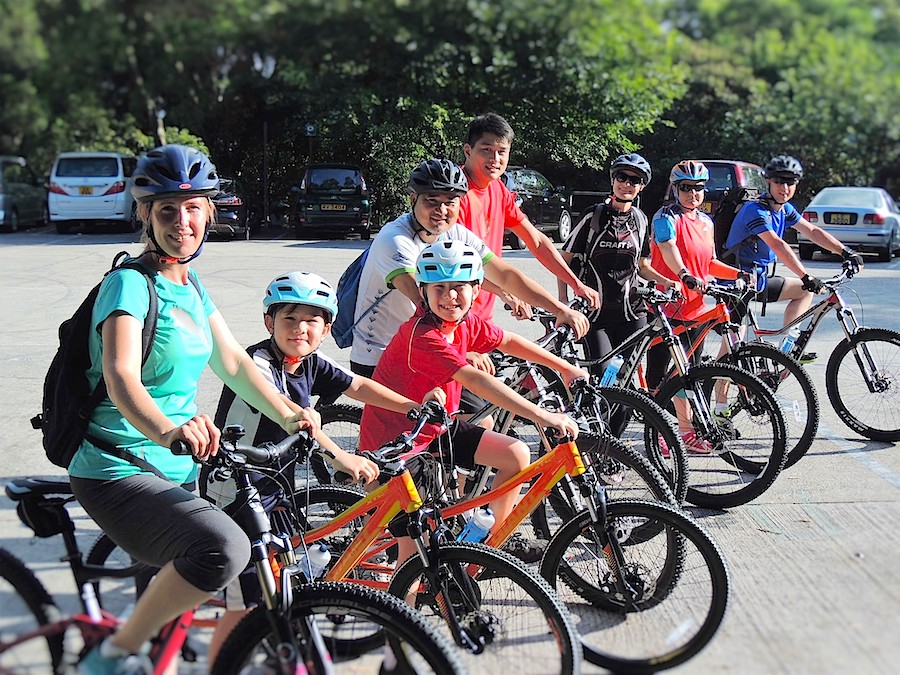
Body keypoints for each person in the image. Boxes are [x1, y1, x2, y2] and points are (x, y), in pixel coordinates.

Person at [67, 146, 318, 675]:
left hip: (176, 470)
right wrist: (168, 430)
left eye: (192, 209)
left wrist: (292, 412)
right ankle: (110, 656)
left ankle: (144, 654)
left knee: (169, 633)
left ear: (209, 212)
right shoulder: (128, 285)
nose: (181, 223)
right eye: (166, 211)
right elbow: (121, 376)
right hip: (118, 468)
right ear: (145, 215)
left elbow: (233, 363)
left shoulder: (191, 285)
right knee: (224, 549)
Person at [205, 271, 441, 663]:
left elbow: (359, 387)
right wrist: (343, 457)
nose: (300, 328)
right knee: (241, 600)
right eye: (289, 319)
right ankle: (222, 663)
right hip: (234, 487)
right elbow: (295, 417)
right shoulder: (259, 363)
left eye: (312, 320)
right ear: (270, 323)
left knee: (281, 581)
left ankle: (277, 646)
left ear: (327, 327)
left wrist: (411, 406)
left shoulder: (312, 363)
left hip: (273, 486)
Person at [360, 241, 587, 564]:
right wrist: (543, 415)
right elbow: (476, 380)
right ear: (422, 291)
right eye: (439, 288)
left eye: (459, 288)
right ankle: (401, 610)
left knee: (515, 454)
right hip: (397, 445)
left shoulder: (463, 324)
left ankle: (485, 549)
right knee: (413, 557)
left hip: (436, 429)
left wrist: (563, 367)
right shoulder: (422, 336)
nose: (450, 297)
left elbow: (507, 341)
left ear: (477, 290)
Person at [349, 158, 589, 378]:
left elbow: (505, 274)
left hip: (428, 346)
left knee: (480, 416)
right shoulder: (395, 240)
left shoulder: (454, 234)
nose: (441, 211)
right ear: (413, 200)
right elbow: (426, 304)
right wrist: (462, 350)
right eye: (431, 201)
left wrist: (559, 309)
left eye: (450, 203)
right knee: (449, 419)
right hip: (381, 353)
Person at [458, 112, 601, 320]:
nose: (495, 159)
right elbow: (456, 265)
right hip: (452, 312)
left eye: (502, 151)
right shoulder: (455, 195)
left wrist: (576, 284)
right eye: (487, 150)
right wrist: (506, 292)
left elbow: (537, 241)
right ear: (468, 151)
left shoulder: (498, 190)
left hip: (482, 316)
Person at [646, 160, 743, 452]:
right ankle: (661, 431)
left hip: (696, 309)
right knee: (661, 376)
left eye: (698, 188)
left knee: (689, 373)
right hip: (667, 307)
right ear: (675, 189)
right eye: (686, 188)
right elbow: (668, 250)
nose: (693, 194)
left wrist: (739, 274)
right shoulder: (665, 217)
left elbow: (710, 264)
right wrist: (684, 275)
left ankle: (685, 433)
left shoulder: (706, 222)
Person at [558, 153, 678, 380]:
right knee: (604, 380)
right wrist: (563, 303)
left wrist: (667, 281)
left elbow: (642, 266)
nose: (627, 184)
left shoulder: (641, 219)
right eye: (622, 177)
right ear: (613, 180)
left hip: (632, 313)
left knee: (624, 380)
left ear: (641, 187)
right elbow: (564, 260)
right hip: (595, 315)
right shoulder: (593, 216)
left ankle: (621, 417)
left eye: (634, 181)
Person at [724, 154, 864, 345]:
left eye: (790, 182)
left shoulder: (784, 209)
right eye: (779, 182)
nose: (785, 188)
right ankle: (714, 375)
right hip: (735, 282)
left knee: (804, 292)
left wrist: (846, 252)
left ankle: (786, 348)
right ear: (768, 182)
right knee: (734, 347)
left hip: (758, 279)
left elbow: (812, 231)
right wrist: (805, 277)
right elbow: (777, 244)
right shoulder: (755, 210)